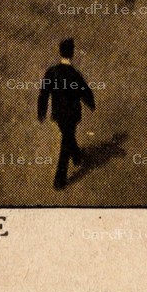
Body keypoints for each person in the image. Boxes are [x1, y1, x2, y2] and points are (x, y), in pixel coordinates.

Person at [37, 38, 96, 190]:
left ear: (60, 52)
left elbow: (44, 93)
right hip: (72, 114)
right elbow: (85, 92)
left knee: (67, 136)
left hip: (58, 114)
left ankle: (77, 156)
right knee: (66, 140)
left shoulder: (52, 72)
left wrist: (42, 111)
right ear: (72, 53)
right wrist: (91, 104)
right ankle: (59, 179)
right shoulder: (75, 74)